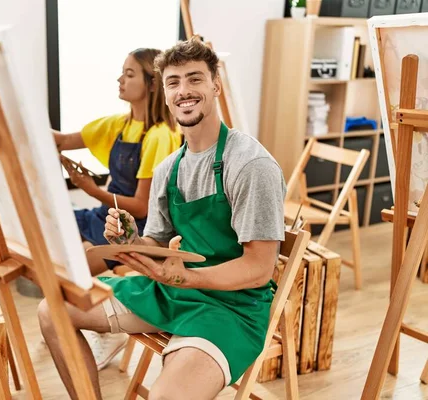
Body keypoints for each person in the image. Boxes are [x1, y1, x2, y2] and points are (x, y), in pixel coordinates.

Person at [39, 37, 286, 400]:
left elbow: (260, 268)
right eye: (174, 82)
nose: (184, 90)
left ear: (216, 85)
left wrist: (188, 277)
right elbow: (155, 241)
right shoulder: (170, 168)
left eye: (195, 79)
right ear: (166, 93)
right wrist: (130, 242)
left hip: (231, 309)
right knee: (53, 309)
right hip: (174, 292)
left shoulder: (249, 164)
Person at [53, 48, 182, 371]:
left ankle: (82, 328)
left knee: (68, 274)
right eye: (121, 72)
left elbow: (141, 206)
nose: (120, 79)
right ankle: (76, 323)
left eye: (129, 74)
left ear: (152, 84)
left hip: (132, 229)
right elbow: (62, 140)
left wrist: (92, 190)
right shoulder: (120, 125)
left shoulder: (160, 135)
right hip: (105, 215)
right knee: (52, 233)